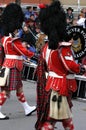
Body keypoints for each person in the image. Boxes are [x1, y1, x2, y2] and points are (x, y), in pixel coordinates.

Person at [35, 0, 86, 130]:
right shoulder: (62, 48)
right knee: (58, 120)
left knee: (61, 119)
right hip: (61, 87)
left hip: (51, 85)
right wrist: (82, 68)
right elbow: (70, 66)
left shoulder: (46, 47)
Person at [0, 3, 36, 120]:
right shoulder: (13, 40)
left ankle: (26, 108)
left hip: (11, 65)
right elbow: (23, 51)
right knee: (5, 91)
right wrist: (34, 54)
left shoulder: (5, 39)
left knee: (19, 88)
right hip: (13, 66)